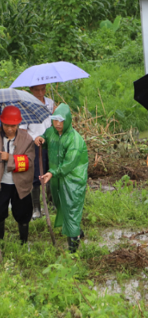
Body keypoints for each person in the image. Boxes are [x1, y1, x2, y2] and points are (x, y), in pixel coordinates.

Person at [35, 103, 88, 253]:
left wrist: (52, 172)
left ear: (68, 120)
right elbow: (46, 139)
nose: (57, 124)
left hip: (72, 180)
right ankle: (77, 231)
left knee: (71, 208)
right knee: (61, 205)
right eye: (55, 120)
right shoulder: (51, 132)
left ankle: (73, 252)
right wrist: (40, 138)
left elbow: (69, 163)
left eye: (61, 121)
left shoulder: (74, 140)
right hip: (57, 178)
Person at [20, 84, 55, 219]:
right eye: (37, 90)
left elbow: (54, 123)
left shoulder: (50, 103)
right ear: (31, 90)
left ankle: (51, 203)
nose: (41, 92)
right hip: (34, 145)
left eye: (43, 89)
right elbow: (23, 130)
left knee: (50, 172)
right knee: (36, 176)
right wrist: (34, 139)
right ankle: (36, 208)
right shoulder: (25, 106)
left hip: (49, 144)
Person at [0, 106, 35, 244]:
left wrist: (9, 158)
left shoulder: (26, 139)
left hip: (20, 184)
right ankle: (1, 242)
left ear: (18, 124)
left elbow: (29, 162)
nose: (9, 129)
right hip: (2, 183)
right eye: (6, 125)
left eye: (13, 126)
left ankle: (23, 242)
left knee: (23, 212)